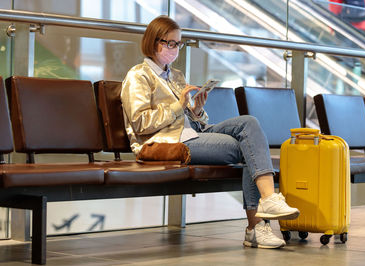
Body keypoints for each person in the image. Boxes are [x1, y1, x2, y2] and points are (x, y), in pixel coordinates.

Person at [121, 15, 300, 249]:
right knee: (250, 149)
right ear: (154, 42)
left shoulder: (175, 76)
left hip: (193, 133)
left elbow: (191, 119)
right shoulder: (138, 76)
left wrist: (196, 109)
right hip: (164, 144)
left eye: (179, 44)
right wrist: (179, 105)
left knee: (249, 123)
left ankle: (268, 202)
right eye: (171, 43)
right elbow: (141, 123)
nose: (176, 49)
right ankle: (257, 225)